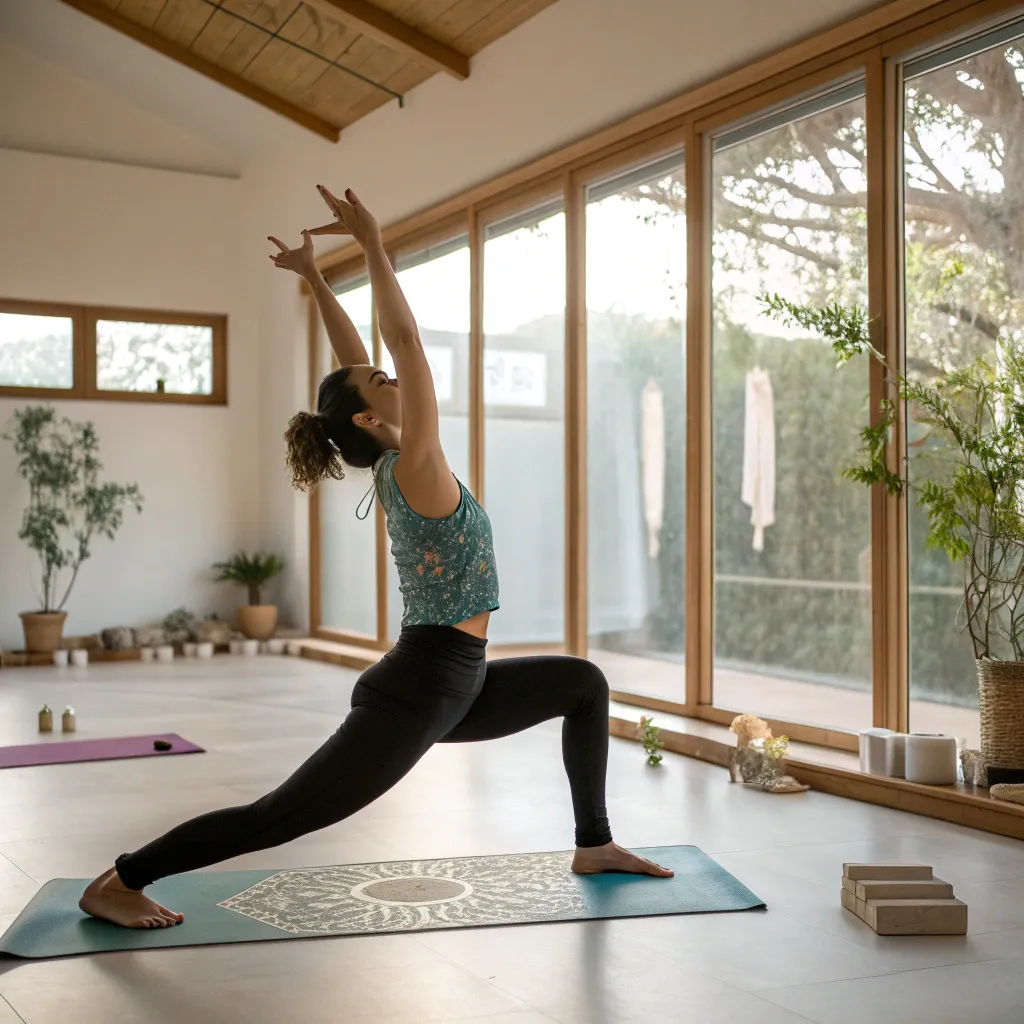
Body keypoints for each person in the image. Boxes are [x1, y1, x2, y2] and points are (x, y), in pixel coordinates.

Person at [79, 186, 672, 930]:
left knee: (582, 684)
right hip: (420, 690)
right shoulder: (416, 464)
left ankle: (595, 843)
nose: (390, 372)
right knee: (277, 817)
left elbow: (355, 363)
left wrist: (316, 278)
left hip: (460, 678)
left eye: (386, 374)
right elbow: (406, 344)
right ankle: (121, 880)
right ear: (368, 416)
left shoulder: (394, 459)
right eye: (381, 382)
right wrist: (372, 244)